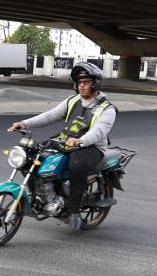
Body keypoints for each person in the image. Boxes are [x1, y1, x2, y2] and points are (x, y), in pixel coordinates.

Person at [7, 62, 117, 231]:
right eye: (79, 82)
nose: (81, 85)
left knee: (76, 164)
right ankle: (42, 196)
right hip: (65, 142)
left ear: (96, 83)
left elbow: (99, 131)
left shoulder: (107, 108)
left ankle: (73, 211)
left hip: (91, 147)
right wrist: (24, 123)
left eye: (86, 82)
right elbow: (50, 116)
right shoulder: (72, 101)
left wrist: (80, 141)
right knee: (33, 156)